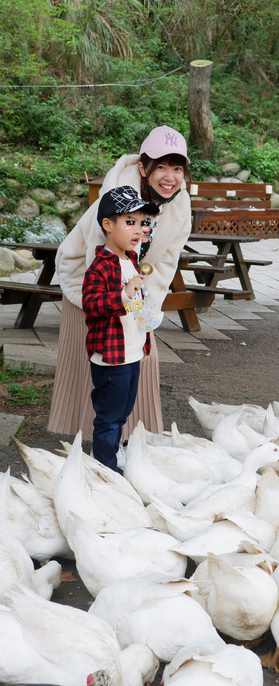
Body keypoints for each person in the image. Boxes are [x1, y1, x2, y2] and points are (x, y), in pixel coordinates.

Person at [48, 126, 191, 453]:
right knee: (99, 361)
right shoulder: (118, 196)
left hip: (130, 284)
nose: (170, 177)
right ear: (144, 168)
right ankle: (99, 446)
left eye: (177, 168)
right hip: (88, 277)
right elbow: (99, 261)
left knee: (141, 354)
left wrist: (147, 307)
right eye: (161, 167)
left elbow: (164, 263)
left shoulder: (180, 207)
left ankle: (128, 439)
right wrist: (124, 303)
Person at [82, 186, 160, 472]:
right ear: (107, 224)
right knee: (109, 416)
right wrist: (125, 294)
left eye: (142, 223)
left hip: (132, 351)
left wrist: (145, 311)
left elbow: (135, 301)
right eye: (130, 222)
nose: (138, 230)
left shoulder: (130, 260)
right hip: (111, 357)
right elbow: (91, 305)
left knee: (123, 412)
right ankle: (103, 469)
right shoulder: (100, 266)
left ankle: (109, 455)